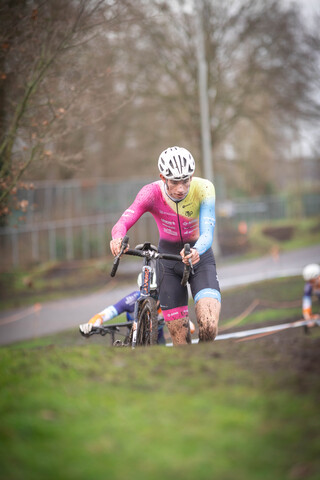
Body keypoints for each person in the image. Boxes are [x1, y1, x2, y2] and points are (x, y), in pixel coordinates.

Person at [110, 146, 221, 345]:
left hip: (199, 257)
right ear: (163, 177)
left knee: (209, 327)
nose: (181, 188)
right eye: (175, 182)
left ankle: (205, 363)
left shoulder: (204, 188)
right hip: (168, 264)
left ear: (192, 176)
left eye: (185, 181)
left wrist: (197, 250)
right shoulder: (150, 193)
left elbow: (208, 231)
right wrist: (118, 238)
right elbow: (124, 221)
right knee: (180, 341)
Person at [302, 263, 320, 327]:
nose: (310, 284)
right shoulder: (308, 286)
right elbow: (306, 303)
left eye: (312, 281)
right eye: (309, 282)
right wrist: (308, 318)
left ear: (318, 277)